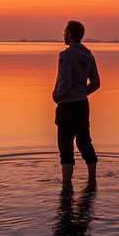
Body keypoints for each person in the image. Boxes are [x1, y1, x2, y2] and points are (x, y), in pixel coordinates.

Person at [52, 20, 100, 187]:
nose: (63, 35)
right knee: (84, 142)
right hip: (82, 105)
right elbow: (96, 83)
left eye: (65, 32)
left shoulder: (66, 55)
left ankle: (66, 187)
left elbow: (65, 82)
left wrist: (57, 96)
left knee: (65, 147)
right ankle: (92, 181)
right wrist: (81, 93)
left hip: (67, 106)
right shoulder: (89, 55)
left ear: (70, 35)